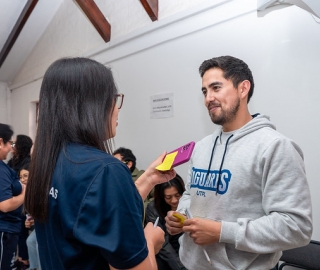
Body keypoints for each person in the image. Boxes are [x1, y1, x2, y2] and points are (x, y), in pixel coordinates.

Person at [24, 57, 175, 270]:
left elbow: (94, 211)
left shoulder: (48, 160)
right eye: (113, 98)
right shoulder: (106, 171)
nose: (117, 108)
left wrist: (148, 178)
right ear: (92, 105)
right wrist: (151, 240)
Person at [165, 55, 313, 269]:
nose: (208, 98)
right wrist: (180, 214)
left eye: (216, 87)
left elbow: (296, 227)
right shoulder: (202, 147)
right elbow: (191, 194)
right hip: (190, 264)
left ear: (243, 89)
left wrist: (221, 232)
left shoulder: (275, 147)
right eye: (205, 91)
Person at [145, 174, 187, 270]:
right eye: (168, 197)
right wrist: (180, 267)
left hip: (185, 248)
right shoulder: (153, 208)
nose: (174, 200)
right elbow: (164, 244)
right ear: (161, 197)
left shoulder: (188, 204)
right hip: (164, 250)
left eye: (178, 195)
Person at [0, 124, 26, 270]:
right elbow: (5, 205)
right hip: (4, 230)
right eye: (10, 143)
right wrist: (25, 194)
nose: (11, 147)